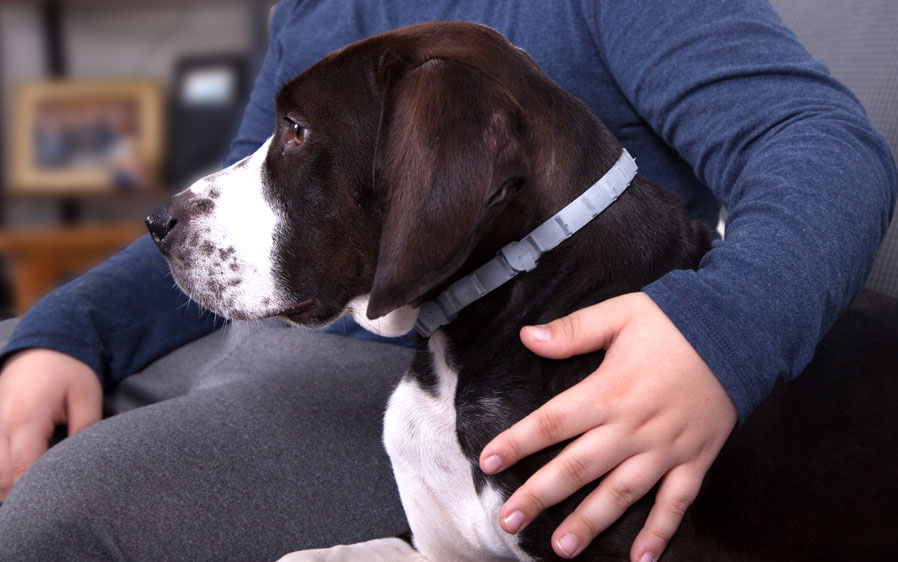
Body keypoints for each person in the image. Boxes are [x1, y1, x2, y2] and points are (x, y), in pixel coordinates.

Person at [0, 1, 895, 561]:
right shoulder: (321, 11)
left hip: (486, 378)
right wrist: (66, 334)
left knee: (64, 519)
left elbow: (821, 145)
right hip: (296, 348)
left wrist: (717, 336)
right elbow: (252, 206)